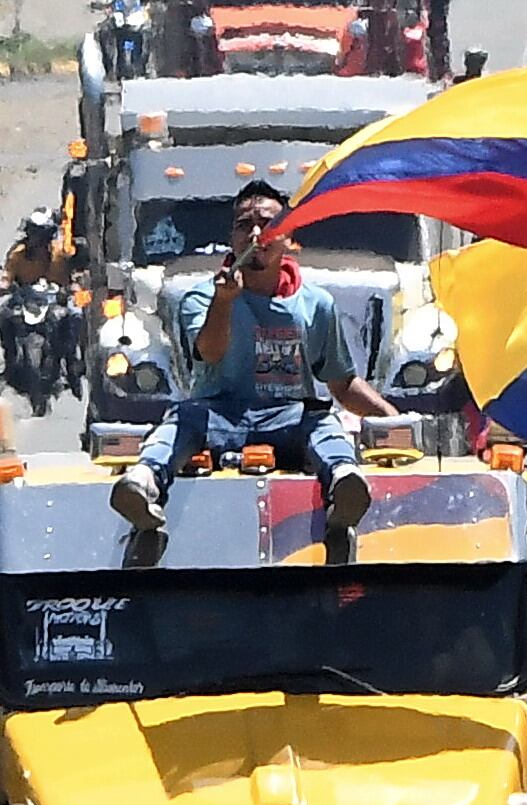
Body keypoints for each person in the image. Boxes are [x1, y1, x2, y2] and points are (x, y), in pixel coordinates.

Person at [113, 180, 397, 542]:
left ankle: (343, 483)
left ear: (288, 238)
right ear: (232, 238)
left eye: (267, 224)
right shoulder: (200, 297)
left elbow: (341, 383)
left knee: (324, 423)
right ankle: (142, 482)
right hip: (219, 416)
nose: (256, 233)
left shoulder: (318, 304)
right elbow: (210, 352)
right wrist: (225, 301)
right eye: (244, 225)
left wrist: (393, 420)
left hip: (289, 418)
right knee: (183, 418)